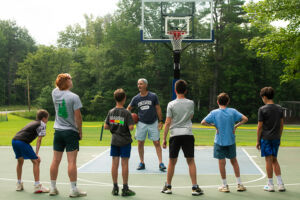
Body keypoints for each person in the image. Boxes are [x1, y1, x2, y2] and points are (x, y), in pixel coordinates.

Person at [162, 80, 203, 196]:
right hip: (187, 134)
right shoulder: (191, 103)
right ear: (185, 90)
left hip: (174, 135)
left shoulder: (171, 104)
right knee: (190, 161)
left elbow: (167, 122)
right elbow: (191, 116)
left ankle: (168, 186)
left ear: (175, 90)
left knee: (172, 162)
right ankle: (194, 187)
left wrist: (164, 138)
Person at [201, 93, 248, 192]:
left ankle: (225, 185)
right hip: (230, 140)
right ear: (228, 102)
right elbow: (245, 119)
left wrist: (214, 126)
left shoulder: (214, 113)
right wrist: (236, 126)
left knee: (221, 163)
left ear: (217, 102)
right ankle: (239, 184)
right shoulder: (233, 111)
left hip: (219, 141)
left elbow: (203, 122)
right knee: (234, 161)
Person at [49, 73, 87, 197]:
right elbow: (78, 117)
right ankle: (73, 189)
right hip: (70, 132)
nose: (72, 80)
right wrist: (80, 131)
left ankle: (53, 188)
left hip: (58, 132)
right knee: (72, 162)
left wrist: (63, 77)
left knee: (55, 160)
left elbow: (57, 86)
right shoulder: (74, 97)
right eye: (70, 79)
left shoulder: (55, 93)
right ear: (67, 82)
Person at [127, 78, 166, 171]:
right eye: (138, 84)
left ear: (146, 85)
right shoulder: (136, 98)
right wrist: (128, 118)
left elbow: (158, 108)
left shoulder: (153, 96)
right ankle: (142, 162)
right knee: (140, 143)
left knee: (156, 142)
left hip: (153, 122)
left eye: (141, 84)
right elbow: (128, 108)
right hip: (141, 123)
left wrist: (161, 121)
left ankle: (161, 163)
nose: (139, 86)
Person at [104, 88, 136, 196]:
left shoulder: (111, 112)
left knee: (114, 164)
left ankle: (115, 187)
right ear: (124, 99)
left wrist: (116, 123)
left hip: (114, 141)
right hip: (125, 141)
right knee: (125, 164)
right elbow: (131, 127)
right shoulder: (127, 113)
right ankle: (125, 188)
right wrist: (134, 121)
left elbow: (106, 126)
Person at [12, 109, 50, 193]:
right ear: (44, 118)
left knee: (20, 161)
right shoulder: (42, 124)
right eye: (47, 118)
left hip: (14, 141)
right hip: (22, 142)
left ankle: (19, 184)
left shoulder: (33, 122)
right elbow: (39, 140)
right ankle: (37, 186)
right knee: (36, 161)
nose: (47, 120)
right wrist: (36, 154)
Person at [256, 87, 285, 192]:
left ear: (264, 97)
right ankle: (280, 184)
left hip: (266, 138)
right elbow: (282, 125)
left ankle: (270, 184)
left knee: (268, 160)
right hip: (276, 138)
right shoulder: (280, 108)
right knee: (275, 160)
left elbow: (259, 127)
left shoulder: (262, 109)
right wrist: (279, 137)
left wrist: (258, 141)